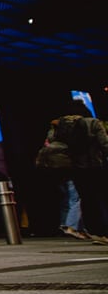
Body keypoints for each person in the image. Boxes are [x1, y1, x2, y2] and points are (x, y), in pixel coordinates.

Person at [51, 102, 108, 242]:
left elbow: (52, 142)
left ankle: (94, 231)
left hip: (74, 168)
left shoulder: (60, 125)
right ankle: (104, 231)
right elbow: (104, 143)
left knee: (85, 199)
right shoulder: (93, 123)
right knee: (101, 197)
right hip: (94, 166)